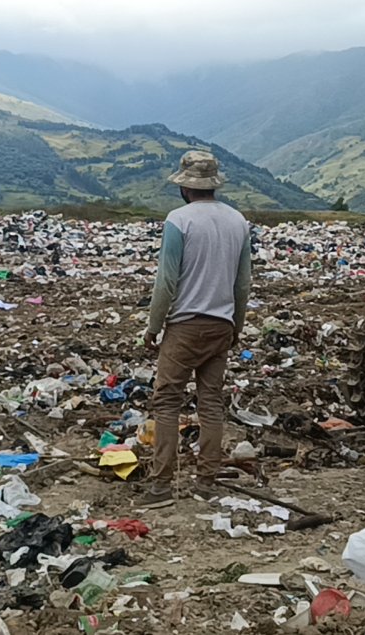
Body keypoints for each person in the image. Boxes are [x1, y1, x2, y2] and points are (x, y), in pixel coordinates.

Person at [138, 150, 252, 508]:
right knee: (211, 403)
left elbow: (166, 281)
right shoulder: (238, 222)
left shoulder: (179, 220)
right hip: (221, 324)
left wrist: (153, 327)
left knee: (168, 402)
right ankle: (206, 481)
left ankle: (160, 487)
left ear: (185, 186)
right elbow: (243, 284)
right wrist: (237, 326)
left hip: (186, 325)